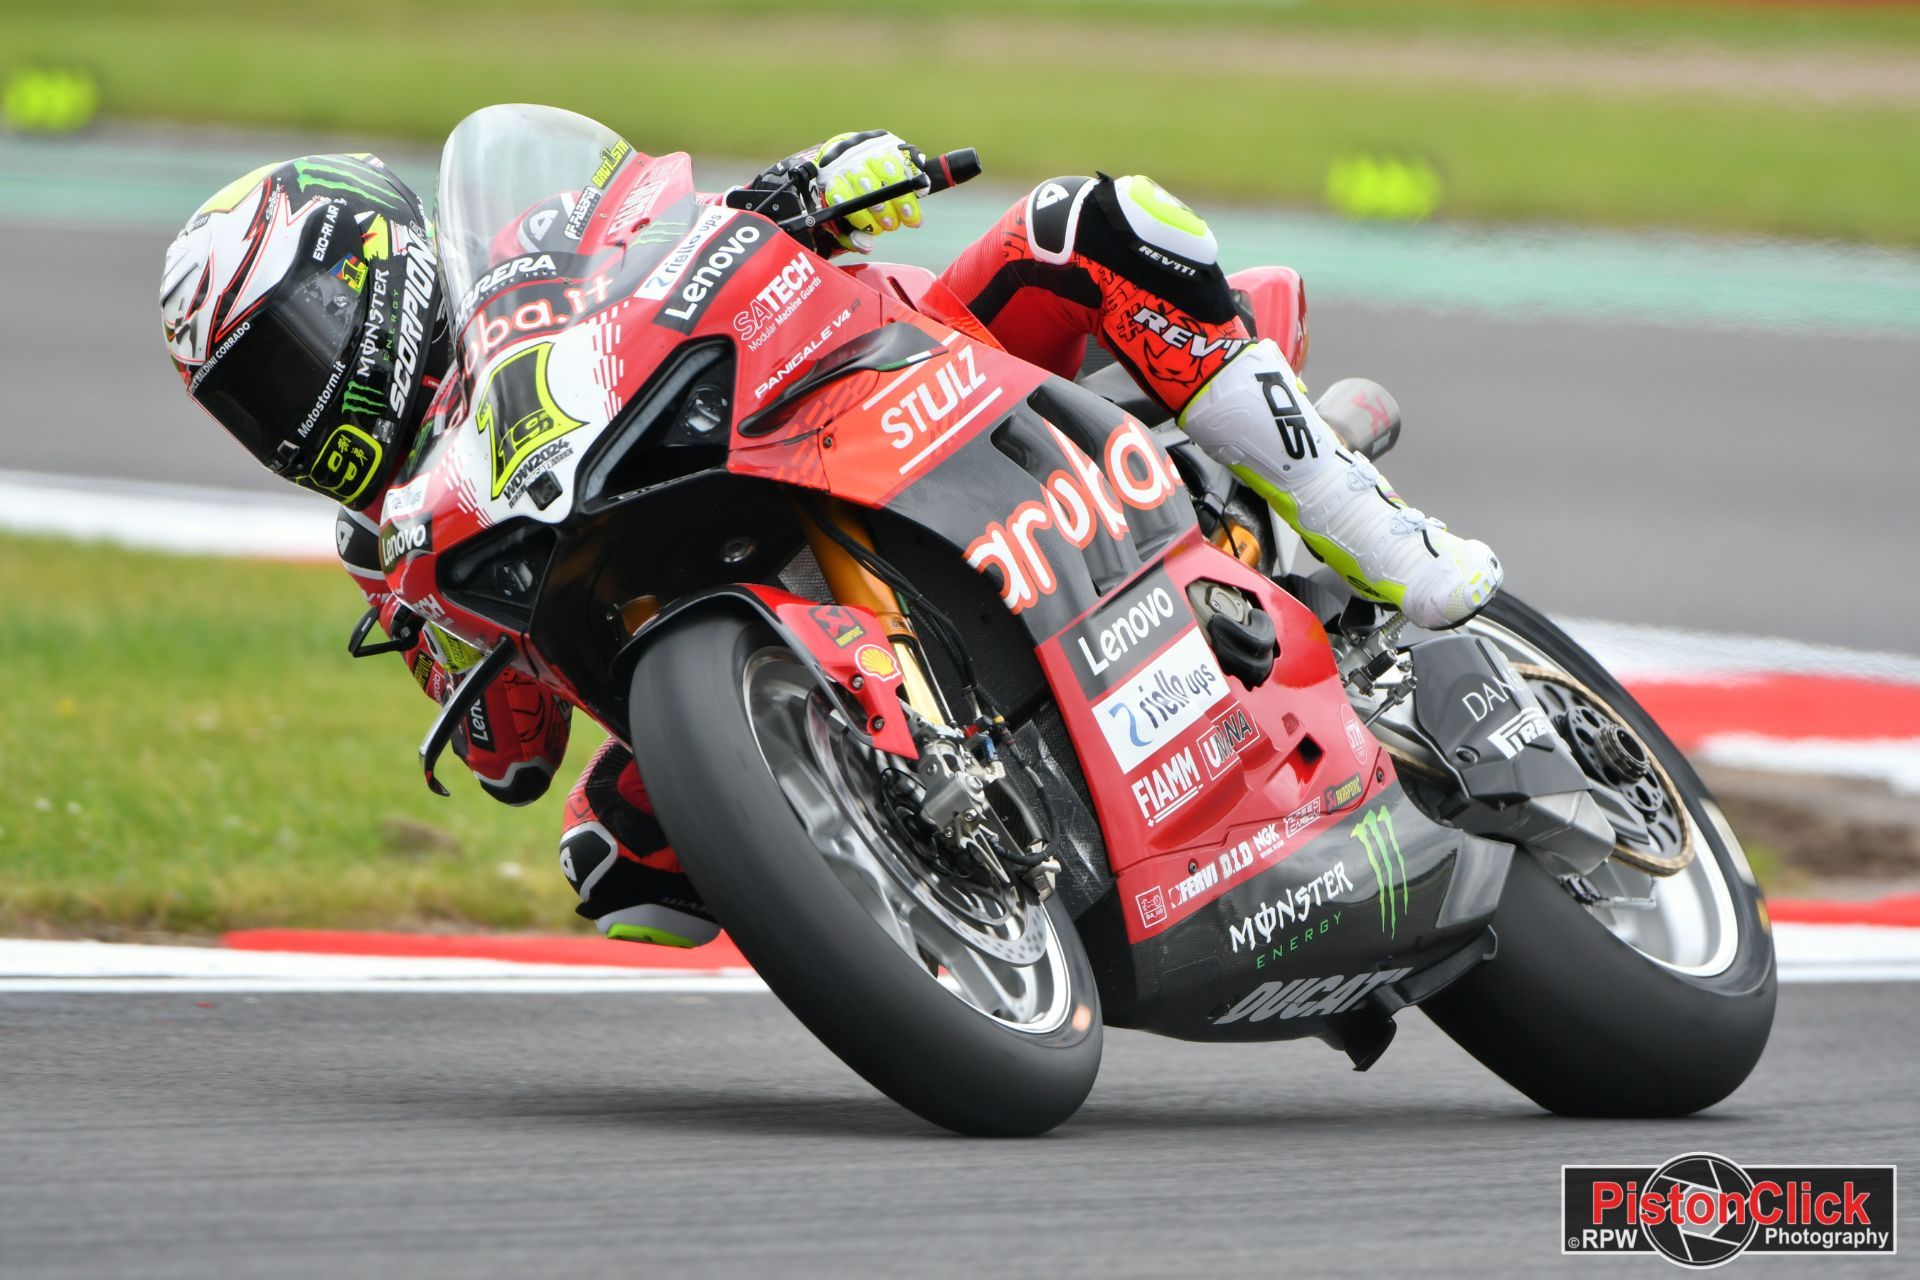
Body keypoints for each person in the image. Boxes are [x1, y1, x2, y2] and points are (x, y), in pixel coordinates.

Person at [158, 131, 1501, 948]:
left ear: (379, 276)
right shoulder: (399, 542)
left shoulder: (527, 254)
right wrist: (453, 642)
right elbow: (518, 759)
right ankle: (939, 867)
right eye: (254, 399)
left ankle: (1349, 518)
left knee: (1097, 222)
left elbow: (668, 240)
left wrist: (802, 188)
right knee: (618, 859)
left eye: (294, 350)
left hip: (894, 384)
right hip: (721, 606)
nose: (296, 400)